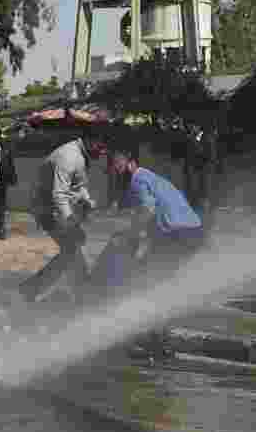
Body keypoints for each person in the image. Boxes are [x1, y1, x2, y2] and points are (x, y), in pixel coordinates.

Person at [98, 142, 206, 358]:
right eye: (109, 165)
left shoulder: (138, 180)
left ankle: (156, 339)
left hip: (178, 234)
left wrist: (132, 236)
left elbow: (147, 209)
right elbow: (140, 210)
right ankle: (157, 337)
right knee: (155, 280)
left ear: (129, 161)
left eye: (114, 163)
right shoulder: (149, 177)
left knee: (150, 281)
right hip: (190, 231)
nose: (112, 168)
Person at [19, 133, 95, 304]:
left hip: (55, 209)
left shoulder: (80, 155)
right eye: (102, 146)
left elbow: (78, 185)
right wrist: (70, 220)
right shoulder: (69, 157)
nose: (104, 152)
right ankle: (32, 288)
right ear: (92, 139)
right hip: (49, 210)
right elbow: (59, 194)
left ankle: (81, 291)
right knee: (72, 249)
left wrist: (87, 199)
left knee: (74, 249)